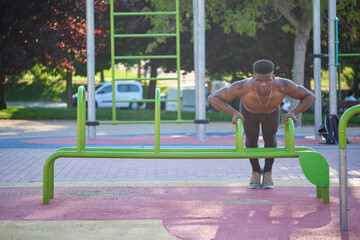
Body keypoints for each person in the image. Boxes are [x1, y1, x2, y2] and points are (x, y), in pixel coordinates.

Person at [208, 59, 315, 189]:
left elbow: (310, 96)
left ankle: (268, 172)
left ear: (273, 77)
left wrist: (294, 112)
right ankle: (256, 172)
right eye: (259, 81)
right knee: (251, 140)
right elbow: (213, 98)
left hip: (271, 112)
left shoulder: (283, 85)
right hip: (249, 112)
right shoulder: (242, 86)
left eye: (268, 80)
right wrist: (233, 113)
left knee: (270, 140)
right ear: (253, 78)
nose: (263, 84)